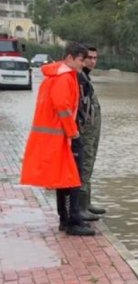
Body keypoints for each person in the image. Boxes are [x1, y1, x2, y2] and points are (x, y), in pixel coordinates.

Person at [20, 42, 95, 236]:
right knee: (72, 179)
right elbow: (63, 107)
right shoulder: (64, 78)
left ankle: (67, 219)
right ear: (69, 58)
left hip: (58, 135)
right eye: (81, 60)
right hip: (63, 135)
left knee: (64, 178)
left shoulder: (58, 75)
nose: (83, 64)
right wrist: (74, 133)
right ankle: (72, 220)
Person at [77, 46, 105, 220]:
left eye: (95, 58)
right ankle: (80, 208)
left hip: (92, 132)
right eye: (90, 58)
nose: (93, 61)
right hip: (85, 132)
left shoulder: (86, 78)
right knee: (84, 165)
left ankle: (86, 203)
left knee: (90, 164)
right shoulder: (78, 78)